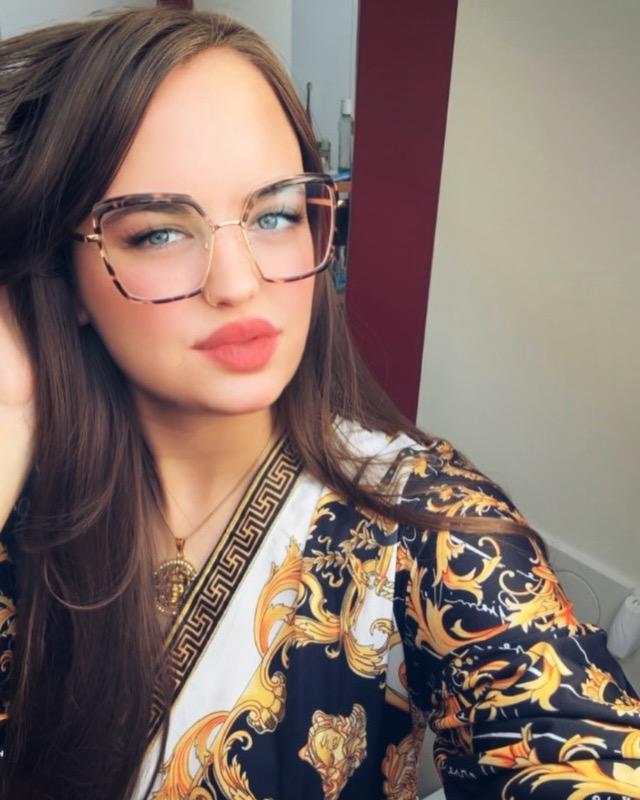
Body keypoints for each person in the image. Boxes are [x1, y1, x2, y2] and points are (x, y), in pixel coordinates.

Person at [0, 8, 638, 800]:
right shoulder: (24, 491)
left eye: (276, 215)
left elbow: (578, 752)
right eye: (159, 232)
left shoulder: (429, 527)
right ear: (65, 274)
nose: (239, 283)